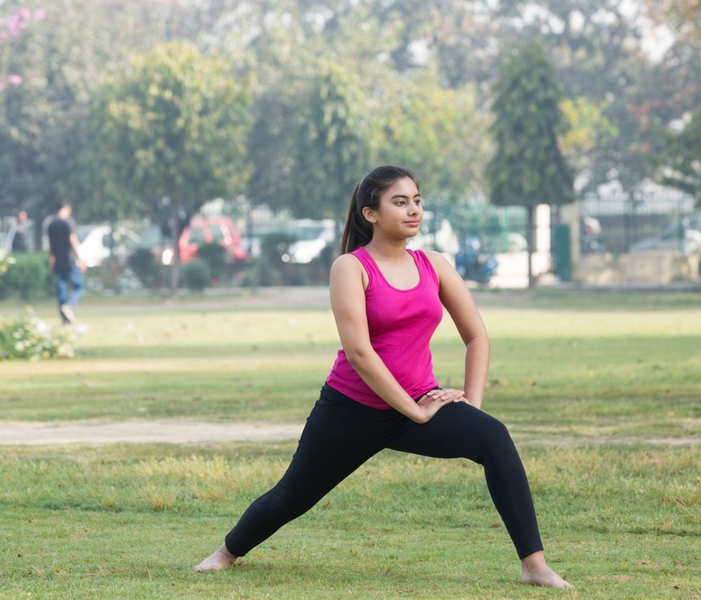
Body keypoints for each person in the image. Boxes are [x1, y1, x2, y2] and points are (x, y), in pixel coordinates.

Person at [193, 166, 571, 589]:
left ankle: (534, 566)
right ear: (370, 213)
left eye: (417, 200)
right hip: (351, 410)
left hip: (418, 403)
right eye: (400, 201)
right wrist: (416, 411)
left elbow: (477, 335)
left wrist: (471, 406)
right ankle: (226, 552)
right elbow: (359, 352)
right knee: (292, 496)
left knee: (493, 437)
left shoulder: (434, 265)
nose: (413, 210)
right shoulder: (350, 268)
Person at [47, 201, 86, 325]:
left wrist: (52, 259)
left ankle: (65, 321)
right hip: (70, 260)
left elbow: (51, 245)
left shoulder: (51, 224)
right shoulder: (68, 222)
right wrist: (80, 258)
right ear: (65, 209)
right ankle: (69, 306)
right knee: (79, 286)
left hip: (58, 261)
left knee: (61, 290)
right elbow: (73, 241)